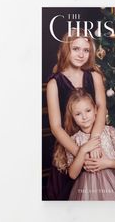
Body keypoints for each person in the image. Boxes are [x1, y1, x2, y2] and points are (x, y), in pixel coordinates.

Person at [46, 28, 106, 200]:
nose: (81, 54)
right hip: (71, 146)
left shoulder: (94, 76)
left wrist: (94, 142)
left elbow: (101, 108)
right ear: (67, 49)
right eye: (76, 49)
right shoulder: (54, 83)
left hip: (97, 139)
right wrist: (80, 153)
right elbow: (56, 127)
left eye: (86, 50)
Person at [54, 88, 115, 200]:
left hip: (113, 187)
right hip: (86, 192)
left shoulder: (109, 132)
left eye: (88, 111)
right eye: (78, 114)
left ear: (95, 110)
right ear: (73, 117)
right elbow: (72, 174)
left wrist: (107, 163)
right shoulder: (74, 140)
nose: (84, 117)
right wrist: (83, 150)